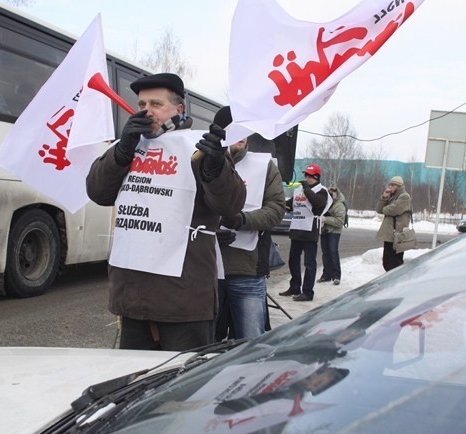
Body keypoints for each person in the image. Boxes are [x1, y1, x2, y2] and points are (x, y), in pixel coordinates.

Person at [86, 73, 247, 351]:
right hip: (134, 300)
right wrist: (122, 152)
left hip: (184, 301)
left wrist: (214, 169)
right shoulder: (127, 145)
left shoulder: (200, 147)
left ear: (179, 109)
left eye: (156, 104)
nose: (146, 111)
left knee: (181, 387)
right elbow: (98, 192)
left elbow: (231, 205)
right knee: (135, 387)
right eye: (141, 104)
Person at [214, 106, 285, 340]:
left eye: (245, 130)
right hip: (206, 271)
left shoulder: (264, 166)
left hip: (247, 272)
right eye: (235, 130)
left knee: (250, 345)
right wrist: (213, 230)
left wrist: (241, 220)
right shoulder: (200, 161)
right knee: (202, 349)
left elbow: (276, 210)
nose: (242, 136)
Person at [279, 164, 332, 302]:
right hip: (297, 229)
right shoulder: (299, 190)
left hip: (310, 230)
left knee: (309, 263)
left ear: (316, 177)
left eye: (309, 175)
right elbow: (290, 205)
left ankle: (308, 292)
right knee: (293, 261)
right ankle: (295, 286)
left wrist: (307, 189)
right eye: (305, 175)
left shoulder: (322, 191)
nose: (306, 178)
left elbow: (318, 203)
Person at [376, 175, 412, 271]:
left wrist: (386, 208)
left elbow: (394, 209)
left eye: (393, 185)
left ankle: (396, 284)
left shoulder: (404, 196)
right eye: (390, 185)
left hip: (397, 234)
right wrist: (384, 198)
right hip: (389, 234)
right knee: (386, 261)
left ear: (398, 186)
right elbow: (379, 209)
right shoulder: (391, 197)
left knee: (395, 263)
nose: (390, 187)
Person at [318, 185, 346, 285]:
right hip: (325, 230)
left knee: (333, 252)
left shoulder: (339, 205)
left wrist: (326, 219)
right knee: (325, 253)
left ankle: (336, 275)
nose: (330, 195)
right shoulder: (326, 203)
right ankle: (326, 274)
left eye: (332, 193)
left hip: (334, 231)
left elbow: (340, 221)